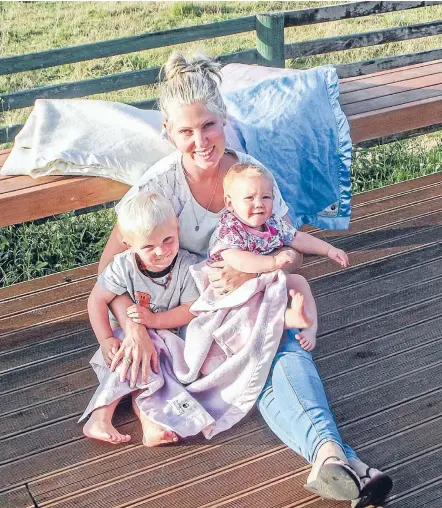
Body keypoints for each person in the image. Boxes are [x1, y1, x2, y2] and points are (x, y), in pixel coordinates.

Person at [98, 51, 392, 506]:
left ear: (224, 119)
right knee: (267, 353)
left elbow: (289, 245)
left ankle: (329, 454)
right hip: (185, 312)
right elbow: (110, 271)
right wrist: (134, 325)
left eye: (209, 126)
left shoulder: (252, 177)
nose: (200, 141)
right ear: (168, 133)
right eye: (186, 131)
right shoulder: (160, 187)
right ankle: (339, 456)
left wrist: (277, 260)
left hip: (246, 301)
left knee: (278, 344)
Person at [82, 191, 199, 446]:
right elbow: (96, 300)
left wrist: (154, 322)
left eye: (168, 239)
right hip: (124, 337)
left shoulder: (186, 267)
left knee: (155, 365)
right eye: (148, 246)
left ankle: (149, 423)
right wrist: (104, 339)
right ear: (128, 244)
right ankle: (101, 416)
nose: (161, 251)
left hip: (165, 335)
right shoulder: (123, 266)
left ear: (176, 227)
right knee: (132, 354)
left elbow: (191, 308)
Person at [208, 162, 350, 351]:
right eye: (249, 198)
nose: (259, 203)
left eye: (266, 197)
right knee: (249, 309)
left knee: (299, 282)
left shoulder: (274, 223)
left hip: (265, 281)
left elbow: (297, 238)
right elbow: (237, 259)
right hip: (234, 288)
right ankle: (285, 320)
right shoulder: (230, 227)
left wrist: (329, 250)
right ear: (230, 203)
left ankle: (309, 328)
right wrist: (273, 262)